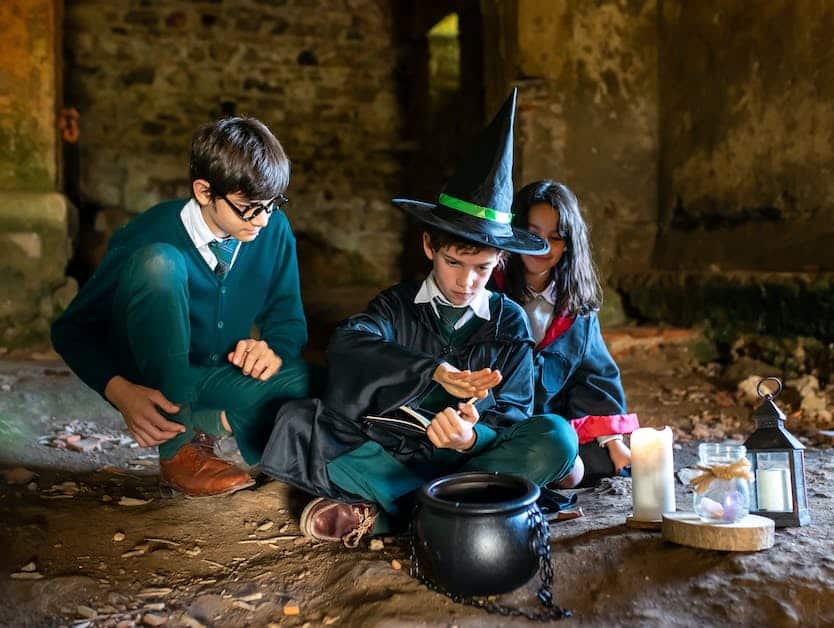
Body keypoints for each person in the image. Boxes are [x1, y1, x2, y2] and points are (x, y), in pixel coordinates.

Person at [260, 91, 579, 547]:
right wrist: (433, 372)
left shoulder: (508, 322)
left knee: (556, 437)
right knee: (298, 421)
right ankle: (449, 513)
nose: (468, 281)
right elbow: (349, 345)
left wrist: (470, 438)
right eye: (454, 263)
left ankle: (400, 513)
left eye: (483, 269)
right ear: (430, 246)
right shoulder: (395, 305)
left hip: (471, 463)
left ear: (501, 261)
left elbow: (514, 417)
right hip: (391, 455)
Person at [51, 117, 310, 497]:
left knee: (321, 383)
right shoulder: (146, 233)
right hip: (154, 380)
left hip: (216, 375)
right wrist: (120, 390)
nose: (264, 219)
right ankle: (178, 449)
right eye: (248, 208)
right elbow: (70, 330)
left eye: (273, 204)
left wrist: (272, 350)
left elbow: (287, 320)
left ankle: (207, 421)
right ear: (205, 191)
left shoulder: (273, 228)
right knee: (160, 264)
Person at [496, 180, 639, 488]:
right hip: (495, 422)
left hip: (551, 427)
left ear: (569, 244)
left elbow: (593, 377)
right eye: (532, 235)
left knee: (600, 461)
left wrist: (613, 442)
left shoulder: (576, 308)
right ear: (514, 231)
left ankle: (535, 470)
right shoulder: (490, 291)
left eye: (556, 238)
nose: (544, 247)